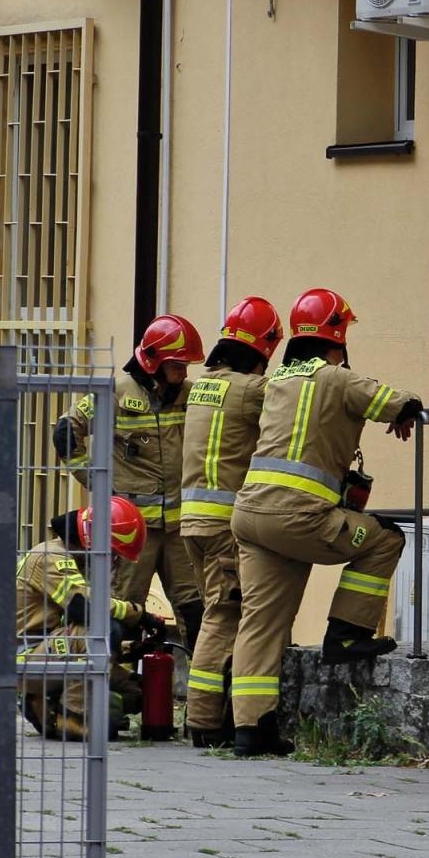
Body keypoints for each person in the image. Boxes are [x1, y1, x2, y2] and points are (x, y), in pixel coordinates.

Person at [227, 288, 423, 757]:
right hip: (300, 518)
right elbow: (394, 402)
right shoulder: (335, 377)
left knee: (261, 620)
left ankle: (250, 728)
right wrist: (410, 405)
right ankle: (346, 633)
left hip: (251, 516)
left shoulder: (277, 381)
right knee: (386, 539)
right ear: (336, 336)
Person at [54, 315, 207, 653]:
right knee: (123, 611)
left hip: (180, 528)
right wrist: (98, 483)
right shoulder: (116, 393)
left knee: (195, 609)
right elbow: (66, 433)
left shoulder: (190, 395)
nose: (184, 372)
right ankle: (117, 694)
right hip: (131, 529)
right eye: (177, 365)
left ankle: (202, 698)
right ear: (154, 362)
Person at [179, 296, 284, 748]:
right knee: (223, 615)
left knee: (216, 612)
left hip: (194, 524)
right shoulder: (249, 390)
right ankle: (203, 722)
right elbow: (293, 404)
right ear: (262, 349)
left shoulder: (204, 386)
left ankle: (206, 716)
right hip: (225, 527)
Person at [16, 496, 158, 741]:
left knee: (137, 692)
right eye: (113, 553)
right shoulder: (51, 557)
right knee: (99, 630)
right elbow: (84, 606)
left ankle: (43, 705)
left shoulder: (72, 558)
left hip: (46, 651)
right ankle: (73, 717)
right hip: (25, 659)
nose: (113, 561)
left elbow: (64, 626)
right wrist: (137, 614)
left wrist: (128, 649)